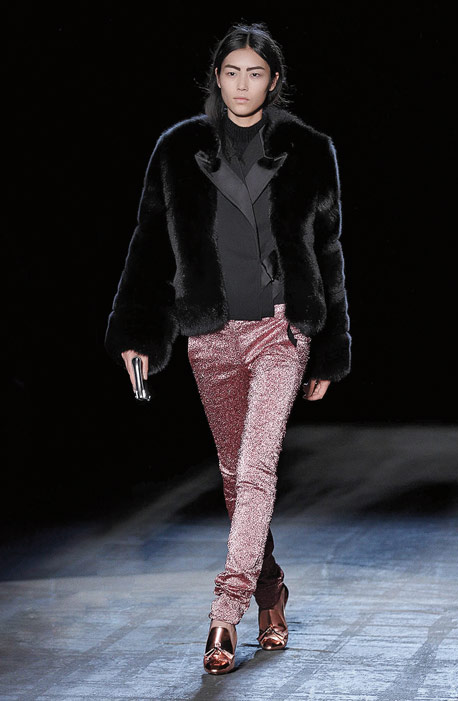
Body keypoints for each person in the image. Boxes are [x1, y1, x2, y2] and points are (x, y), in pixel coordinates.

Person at [104, 21, 351, 674]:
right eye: (232, 72)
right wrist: (138, 331)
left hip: (280, 330)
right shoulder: (178, 149)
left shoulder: (309, 151)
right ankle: (271, 591)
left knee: (258, 469)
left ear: (274, 81)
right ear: (216, 78)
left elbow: (327, 251)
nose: (243, 85)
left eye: (256, 73)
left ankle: (226, 612)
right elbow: (150, 244)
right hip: (209, 335)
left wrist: (329, 347)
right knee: (235, 478)